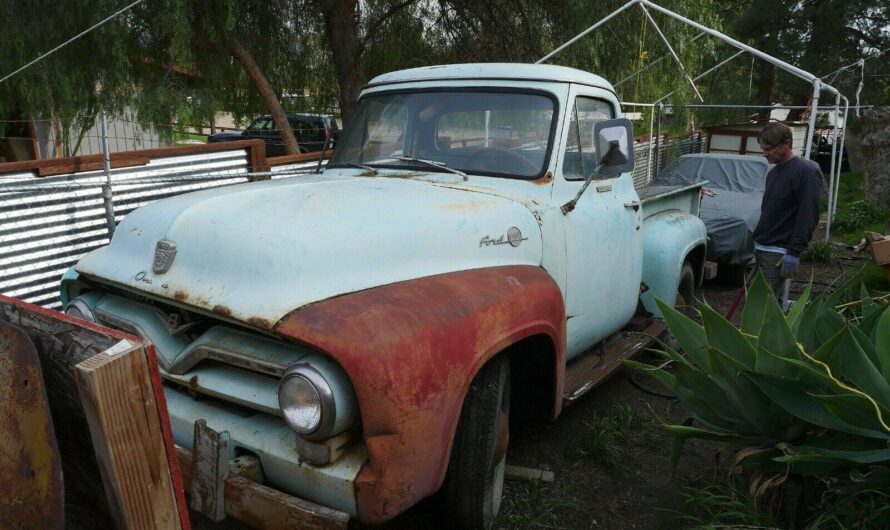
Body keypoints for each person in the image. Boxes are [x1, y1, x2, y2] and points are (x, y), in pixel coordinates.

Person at [752, 122, 823, 296]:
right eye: (763, 149)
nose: (764, 154)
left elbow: (808, 214)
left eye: (768, 149)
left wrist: (794, 251)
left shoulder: (805, 172)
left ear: (786, 144)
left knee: (765, 308)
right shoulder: (774, 172)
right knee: (754, 302)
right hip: (763, 247)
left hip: (778, 252)